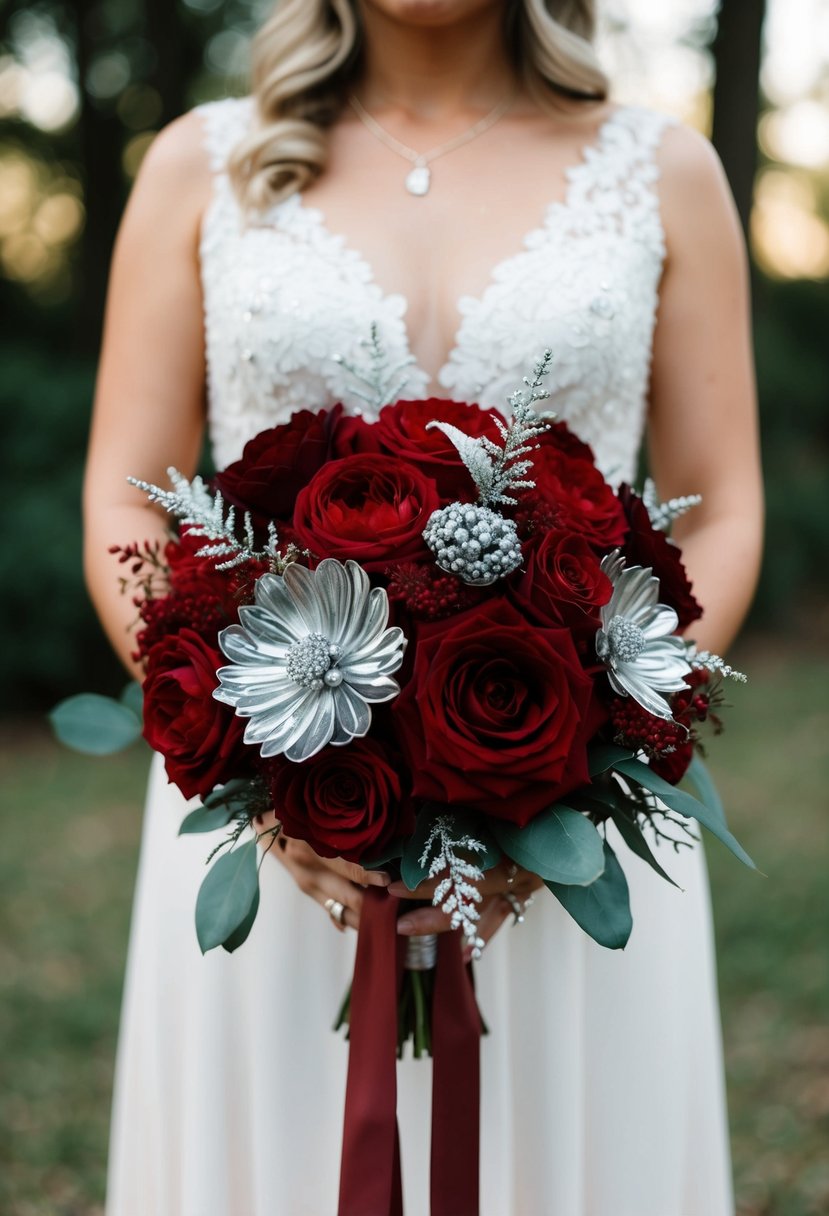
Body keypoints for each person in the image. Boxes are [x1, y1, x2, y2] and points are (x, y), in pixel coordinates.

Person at [83, 0, 763, 1212]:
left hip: (567, 835)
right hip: (284, 824)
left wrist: (585, 756)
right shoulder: (202, 162)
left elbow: (722, 511)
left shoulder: (664, 170)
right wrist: (253, 757)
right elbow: (126, 498)